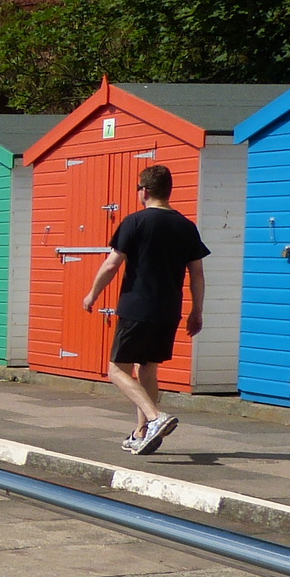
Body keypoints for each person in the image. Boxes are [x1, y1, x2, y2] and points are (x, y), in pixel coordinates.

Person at [81, 164, 208, 455]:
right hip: (169, 310)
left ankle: (155, 418)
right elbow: (197, 274)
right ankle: (142, 433)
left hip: (138, 307)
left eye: (139, 188)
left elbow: (112, 264)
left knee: (116, 370)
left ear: (145, 191)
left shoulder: (135, 222)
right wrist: (196, 311)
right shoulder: (186, 226)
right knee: (147, 369)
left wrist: (92, 294)